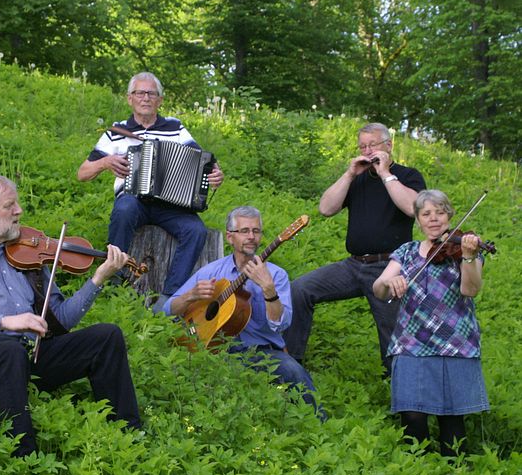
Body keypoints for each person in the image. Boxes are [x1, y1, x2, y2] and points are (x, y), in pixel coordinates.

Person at [0, 174, 141, 456]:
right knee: (8, 349)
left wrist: (97, 280)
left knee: (106, 336)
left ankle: (129, 436)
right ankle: (24, 457)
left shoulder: (28, 251)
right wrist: (4, 322)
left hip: (30, 355)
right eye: (9, 205)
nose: (19, 211)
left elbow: (61, 320)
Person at [284, 123, 426, 373]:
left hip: (390, 267)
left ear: (388, 146)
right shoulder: (357, 178)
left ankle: (401, 391)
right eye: (363, 146)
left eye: (373, 145)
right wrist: (349, 174)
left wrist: (385, 175)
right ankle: (292, 364)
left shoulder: (407, 175)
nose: (367, 150)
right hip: (354, 265)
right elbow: (326, 209)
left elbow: (413, 208)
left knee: (393, 336)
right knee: (300, 289)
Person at [77, 72, 224, 311]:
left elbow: (203, 161)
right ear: (129, 99)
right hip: (133, 200)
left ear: (160, 100)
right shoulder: (116, 132)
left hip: (170, 204)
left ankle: (170, 296)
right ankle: (114, 278)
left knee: (196, 230)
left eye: (151, 93)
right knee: (124, 208)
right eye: (140, 93)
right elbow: (82, 173)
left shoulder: (175, 128)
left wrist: (215, 173)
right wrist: (105, 163)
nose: (145, 98)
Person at [163, 206, 324, 419]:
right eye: (245, 231)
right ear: (230, 237)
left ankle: (317, 423)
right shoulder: (212, 271)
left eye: (256, 231)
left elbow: (281, 325)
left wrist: (269, 290)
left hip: (261, 352)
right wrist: (190, 295)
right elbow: (167, 309)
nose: (251, 237)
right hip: (214, 350)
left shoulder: (276, 275)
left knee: (293, 371)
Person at [373, 189, 489, 456]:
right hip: (411, 342)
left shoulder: (463, 249)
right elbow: (378, 288)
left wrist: (469, 257)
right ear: (418, 220)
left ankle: (453, 470)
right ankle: (418, 470)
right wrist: (390, 282)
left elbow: (470, 290)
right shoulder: (407, 251)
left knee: (452, 422)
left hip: (455, 343)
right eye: (426, 214)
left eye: (439, 212)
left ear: (450, 215)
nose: (433, 219)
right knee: (412, 417)